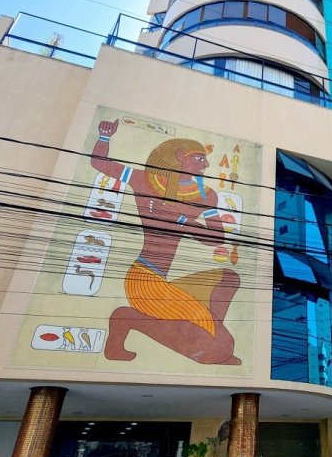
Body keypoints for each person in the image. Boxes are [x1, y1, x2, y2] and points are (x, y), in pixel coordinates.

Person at [89, 119, 241, 365]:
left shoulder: (205, 195)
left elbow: (215, 239)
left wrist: (180, 219)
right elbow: (100, 163)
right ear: (180, 156)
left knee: (230, 278)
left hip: (164, 280)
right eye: (199, 158)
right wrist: (104, 137)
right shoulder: (146, 180)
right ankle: (127, 318)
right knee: (220, 347)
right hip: (144, 280)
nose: (206, 164)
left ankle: (209, 338)